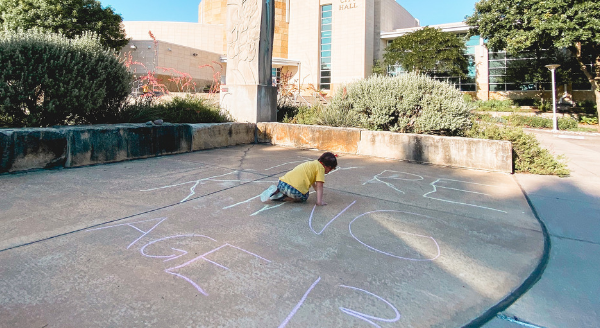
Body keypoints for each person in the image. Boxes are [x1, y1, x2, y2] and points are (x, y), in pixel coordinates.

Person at [260, 152, 337, 206]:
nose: (329, 171)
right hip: (293, 190)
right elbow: (320, 186)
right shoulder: (321, 168)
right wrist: (319, 202)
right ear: (328, 167)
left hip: (282, 183)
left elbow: (311, 180)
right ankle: (282, 197)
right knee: (304, 197)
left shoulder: (313, 164)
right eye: (331, 169)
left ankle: (277, 191)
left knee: (291, 189)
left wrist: (315, 189)